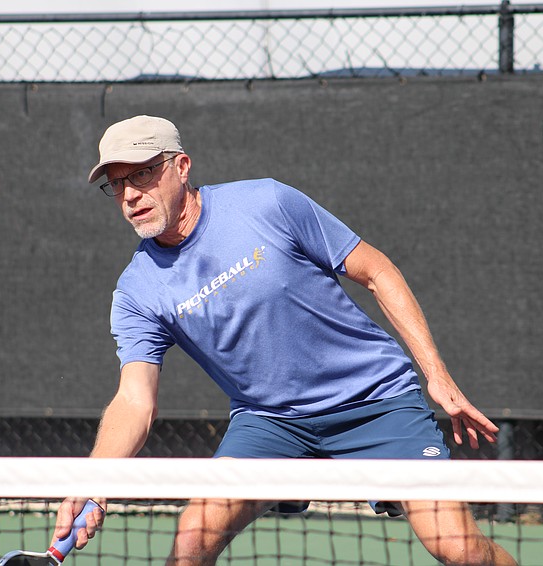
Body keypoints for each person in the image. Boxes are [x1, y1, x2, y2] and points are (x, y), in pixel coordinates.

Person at [55, 115, 517, 565]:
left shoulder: (268, 203)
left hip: (376, 401)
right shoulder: (137, 290)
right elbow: (135, 400)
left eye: (142, 174)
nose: (131, 194)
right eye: (116, 184)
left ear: (181, 166)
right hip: (272, 423)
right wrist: (96, 482)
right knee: (192, 540)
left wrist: (436, 374)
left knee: (461, 550)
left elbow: (376, 271)